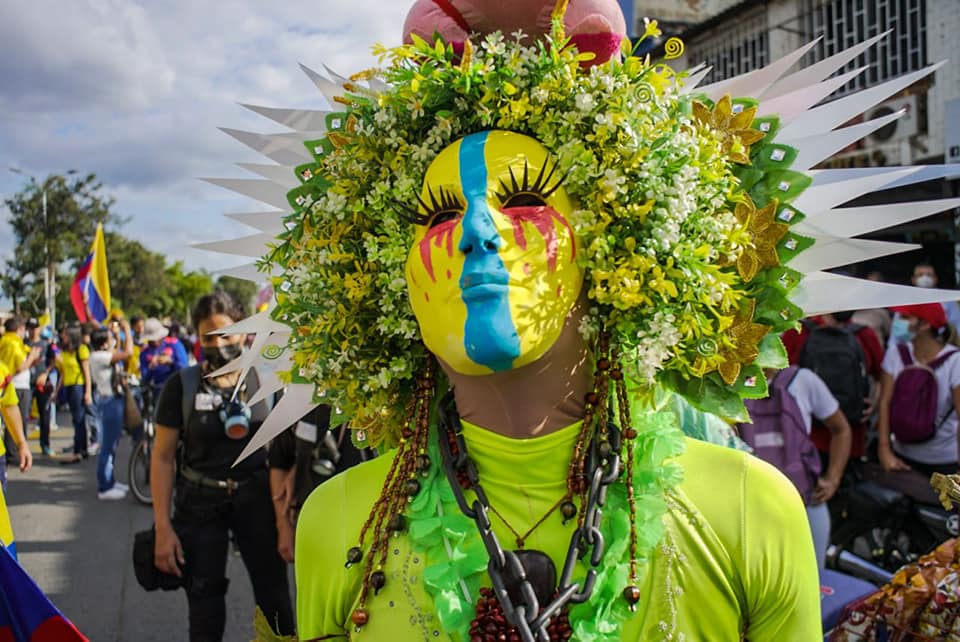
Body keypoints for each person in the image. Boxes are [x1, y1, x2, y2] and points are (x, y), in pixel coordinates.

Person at [150, 292, 293, 642]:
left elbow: (284, 456)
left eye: (226, 334)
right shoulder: (181, 387)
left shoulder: (269, 381)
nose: (218, 345)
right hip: (199, 504)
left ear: (244, 330)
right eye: (208, 337)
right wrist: (163, 528)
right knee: (205, 609)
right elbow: (163, 457)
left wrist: (284, 522)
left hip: (258, 501)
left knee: (276, 604)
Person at [739, 367, 852, 568]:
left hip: (803, 503)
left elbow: (841, 429)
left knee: (812, 576)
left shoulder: (803, 380)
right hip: (754, 510)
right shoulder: (733, 381)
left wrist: (833, 478)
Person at [268, 406, 371, 562]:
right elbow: (279, 461)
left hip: (364, 525)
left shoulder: (371, 403)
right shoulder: (298, 403)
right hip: (312, 526)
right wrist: (283, 526)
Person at [782, 312, 884, 468]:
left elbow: (777, 377)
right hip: (850, 443)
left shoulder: (798, 332)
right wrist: (875, 401)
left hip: (803, 442)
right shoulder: (863, 334)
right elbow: (882, 376)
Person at [877, 303, 960, 475]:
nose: (897, 322)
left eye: (905, 317)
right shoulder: (895, 354)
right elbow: (884, 402)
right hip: (901, 458)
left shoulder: (955, 362)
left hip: (945, 461)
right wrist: (884, 451)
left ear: (925, 325)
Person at [87, 319, 134, 500]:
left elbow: (118, 351)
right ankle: (104, 487)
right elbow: (128, 353)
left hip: (112, 400)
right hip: (109, 402)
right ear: (103, 343)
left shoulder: (103, 354)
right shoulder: (98, 356)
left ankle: (111, 481)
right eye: (109, 338)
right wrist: (126, 330)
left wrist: (116, 335)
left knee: (112, 443)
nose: (112, 340)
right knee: (107, 445)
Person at [0, 317, 40, 464]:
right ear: (20, 329)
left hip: (14, 386)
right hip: (16, 386)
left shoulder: (13, 342)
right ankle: (12, 453)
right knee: (16, 420)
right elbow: (17, 368)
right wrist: (32, 357)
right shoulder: (12, 344)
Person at [57, 325, 94, 464]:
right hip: (68, 386)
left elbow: (86, 372)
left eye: (66, 334)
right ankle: (80, 450)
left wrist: (88, 392)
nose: (63, 337)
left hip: (78, 386)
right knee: (76, 419)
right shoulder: (65, 352)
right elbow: (62, 373)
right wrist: (56, 391)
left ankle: (79, 450)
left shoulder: (81, 350)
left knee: (79, 419)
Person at [28, 321, 58, 456]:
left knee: (45, 416)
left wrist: (45, 373)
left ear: (39, 329)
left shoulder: (46, 344)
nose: (33, 331)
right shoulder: (23, 343)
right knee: (23, 415)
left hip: (42, 384)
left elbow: (53, 362)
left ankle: (45, 444)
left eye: (35, 328)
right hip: (27, 384)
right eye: (30, 328)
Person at [140, 317, 187, 397]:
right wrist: (151, 367)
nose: (154, 342)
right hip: (157, 394)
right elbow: (144, 379)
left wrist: (171, 362)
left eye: (156, 338)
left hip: (176, 391)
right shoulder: (145, 352)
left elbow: (185, 369)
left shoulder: (174, 345)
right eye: (151, 340)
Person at [912, 262, 960, 333]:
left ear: (935, 279)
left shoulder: (947, 299)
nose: (925, 278)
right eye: (920, 275)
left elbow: (957, 324)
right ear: (913, 279)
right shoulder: (906, 300)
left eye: (929, 275)